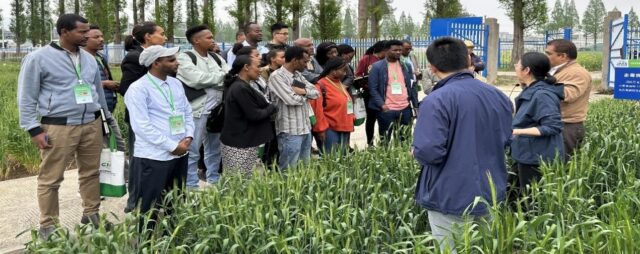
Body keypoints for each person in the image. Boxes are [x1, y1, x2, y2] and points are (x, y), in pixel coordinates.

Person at [17, 13, 115, 239]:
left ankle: (91, 214)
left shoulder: (89, 58)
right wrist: (33, 129)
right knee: (51, 178)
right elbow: (26, 96)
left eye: (88, 30)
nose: (87, 35)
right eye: (82, 32)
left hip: (91, 123)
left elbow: (97, 92)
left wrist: (106, 119)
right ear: (64, 32)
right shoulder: (38, 58)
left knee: (91, 173)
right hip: (58, 127)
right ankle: (48, 226)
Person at [412, 37, 512, 253]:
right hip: (490, 188)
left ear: (432, 66)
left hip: (450, 194)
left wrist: (416, 150)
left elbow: (429, 152)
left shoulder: (436, 100)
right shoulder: (498, 96)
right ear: (468, 59)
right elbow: (506, 138)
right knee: (484, 247)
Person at [124, 45, 194, 231]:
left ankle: (173, 236)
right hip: (154, 156)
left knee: (176, 199)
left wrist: (188, 136)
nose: (176, 62)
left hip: (180, 152)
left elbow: (187, 111)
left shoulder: (175, 84)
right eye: (171, 60)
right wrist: (172, 146)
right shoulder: (138, 89)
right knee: (151, 204)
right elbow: (141, 126)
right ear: (156, 63)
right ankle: (146, 242)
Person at [119, 21, 167, 213]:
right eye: (161, 34)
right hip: (142, 117)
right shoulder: (134, 57)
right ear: (148, 37)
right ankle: (134, 201)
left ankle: (157, 196)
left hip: (161, 117)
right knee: (139, 158)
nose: (165, 38)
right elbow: (126, 88)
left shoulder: (160, 56)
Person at [176, 25, 229, 188]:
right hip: (196, 111)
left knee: (215, 148)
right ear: (196, 40)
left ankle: (214, 179)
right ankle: (191, 185)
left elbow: (229, 76)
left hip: (217, 111)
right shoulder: (185, 57)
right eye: (209, 37)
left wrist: (214, 79)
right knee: (192, 149)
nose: (212, 40)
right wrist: (219, 79)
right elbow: (196, 79)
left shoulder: (217, 58)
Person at [511, 52, 564, 208]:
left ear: (527, 70)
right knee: (518, 195)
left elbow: (553, 126)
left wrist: (515, 131)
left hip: (537, 156)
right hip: (526, 152)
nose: (515, 67)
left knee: (532, 202)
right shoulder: (533, 89)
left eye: (518, 64)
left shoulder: (542, 94)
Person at [220, 55, 278, 174]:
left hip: (245, 141)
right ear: (246, 67)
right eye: (258, 66)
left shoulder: (243, 85)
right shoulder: (240, 88)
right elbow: (255, 114)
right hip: (240, 144)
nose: (260, 70)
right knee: (240, 183)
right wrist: (272, 107)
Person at [268, 46, 319, 169]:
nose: (306, 65)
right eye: (304, 61)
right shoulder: (277, 76)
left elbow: (316, 92)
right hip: (289, 131)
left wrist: (302, 92)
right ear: (295, 60)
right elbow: (291, 100)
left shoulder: (297, 75)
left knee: (304, 169)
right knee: (289, 171)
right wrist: (306, 95)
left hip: (305, 128)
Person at [545, 39, 592, 159]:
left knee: (562, 167)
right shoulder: (559, 70)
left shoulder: (577, 73)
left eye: (549, 54)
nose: (545, 57)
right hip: (556, 123)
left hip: (567, 127)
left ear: (563, 56)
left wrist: (541, 85)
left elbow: (568, 94)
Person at [83, 25, 126, 154]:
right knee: (107, 150)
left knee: (117, 148)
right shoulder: (82, 60)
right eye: (96, 37)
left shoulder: (101, 57)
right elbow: (81, 85)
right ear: (85, 39)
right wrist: (105, 84)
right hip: (95, 112)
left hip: (106, 109)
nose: (101, 39)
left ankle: (119, 173)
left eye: (102, 36)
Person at [368, 40, 419, 143]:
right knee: (385, 141)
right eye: (395, 50)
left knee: (404, 140)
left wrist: (415, 106)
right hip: (387, 109)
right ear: (386, 51)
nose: (398, 52)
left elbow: (412, 86)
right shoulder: (377, 67)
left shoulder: (406, 66)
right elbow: (372, 89)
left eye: (400, 50)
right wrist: (382, 105)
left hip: (405, 109)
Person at [309, 58, 355, 154]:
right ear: (333, 71)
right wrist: (320, 130)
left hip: (344, 125)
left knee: (342, 158)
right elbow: (317, 110)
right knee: (331, 158)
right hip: (329, 129)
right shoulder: (321, 85)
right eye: (343, 71)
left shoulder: (338, 83)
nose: (345, 74)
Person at [355, 40, 386, 146]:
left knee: (383, 119)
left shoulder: (387, 61)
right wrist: (368, 85)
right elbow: (358, 76)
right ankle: (370, 143)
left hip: (384, 94)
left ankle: (383, 143)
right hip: (369, 94)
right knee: (371, 119)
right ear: (382, 50)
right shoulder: (366, 59)